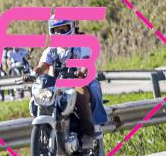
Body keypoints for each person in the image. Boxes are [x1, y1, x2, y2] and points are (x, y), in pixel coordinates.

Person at [28, 17, 107, 148]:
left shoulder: (81, 44)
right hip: (57, 86)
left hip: (79, 82)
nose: (59, 33)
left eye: (63, 29)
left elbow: (86, 60)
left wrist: (82, 71)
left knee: (81, 95)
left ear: (72, 28)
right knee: (39, 98)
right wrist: (33, 73)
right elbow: (42, 66)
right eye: (56, 30)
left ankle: (89, 132)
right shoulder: (51, 50)